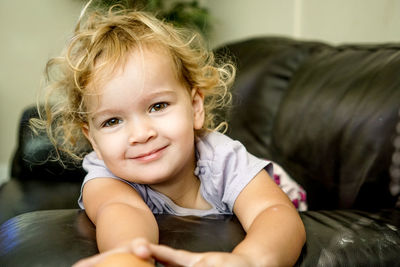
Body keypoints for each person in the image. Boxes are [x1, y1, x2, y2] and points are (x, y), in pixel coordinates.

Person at [33, 3, 306, 266]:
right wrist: (129, 257)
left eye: (158, 106)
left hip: (286, 191)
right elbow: (121, 212)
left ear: (195, 107)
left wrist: (250, 259)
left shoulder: (222, 158)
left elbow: (274, 213)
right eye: (113, 121)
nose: (140, 134)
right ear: (92, 139)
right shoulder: (105, 175)